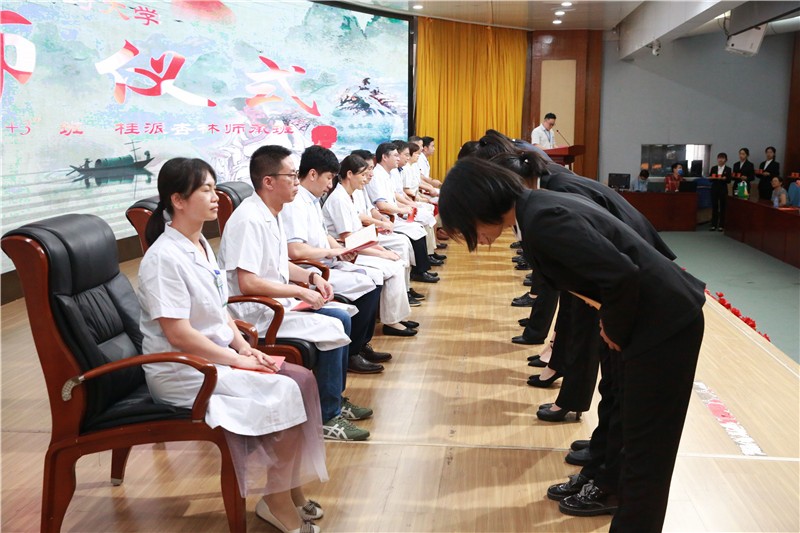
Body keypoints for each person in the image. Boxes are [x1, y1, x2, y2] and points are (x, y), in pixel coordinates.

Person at [439, 158, 706, 533]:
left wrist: (612, 328)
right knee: (631, 439)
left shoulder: (542, 219)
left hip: (664, 322)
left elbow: (621, 274)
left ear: (478, 205)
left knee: (646, 454)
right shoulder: (535, 209)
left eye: (466, 227)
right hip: (648, 317)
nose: (473, 241)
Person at [138, 157, 328, 532]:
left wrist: (244, 348)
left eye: (214, 188)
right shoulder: (163, 259)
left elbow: (220, 309)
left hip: (214, 357)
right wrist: (236, 359)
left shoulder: (200, 245)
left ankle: (286, 490)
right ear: (178, 200)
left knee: (301, 381)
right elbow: (179, 335)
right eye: (206, 190)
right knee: (284, 391)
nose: (215, 197)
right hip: (184, 369)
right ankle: (276, 501)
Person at [217, 145, 374, 442]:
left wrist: (311, 277)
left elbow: (279, 264)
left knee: (342, 317)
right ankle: (328, 416)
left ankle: (334, 400)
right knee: (334, 325)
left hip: (278, 303)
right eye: (291, 175)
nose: (296, 182)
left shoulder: (271, 212)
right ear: (268, 181)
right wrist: (300, 291)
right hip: (258, 313)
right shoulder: (248, 219)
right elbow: (248, 283)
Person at [365, 142, 439, 283]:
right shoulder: (377, 176)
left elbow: (393, 197)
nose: (398, 158)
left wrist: (407, 206)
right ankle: (418, 271)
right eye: (395, 155)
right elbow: (381, 205)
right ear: (384, 157)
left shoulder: (386, 174)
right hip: (386, 217)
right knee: (412, 233)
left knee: (418, 227)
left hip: (391, 216)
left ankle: (421, 268)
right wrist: (401, 210)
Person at [709, 152, 732, 231]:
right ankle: (713, 225)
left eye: (722, 158)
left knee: (723, 207)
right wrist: (712, 178)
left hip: (723, 189)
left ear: (726, 160)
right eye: (719, 158)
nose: (720, 160)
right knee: (714, 207)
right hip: (714, 189)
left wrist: (724, 179)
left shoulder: (728, 169)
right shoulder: (714, 168)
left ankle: (721, 225)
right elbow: (710, 179)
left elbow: (729, 180)